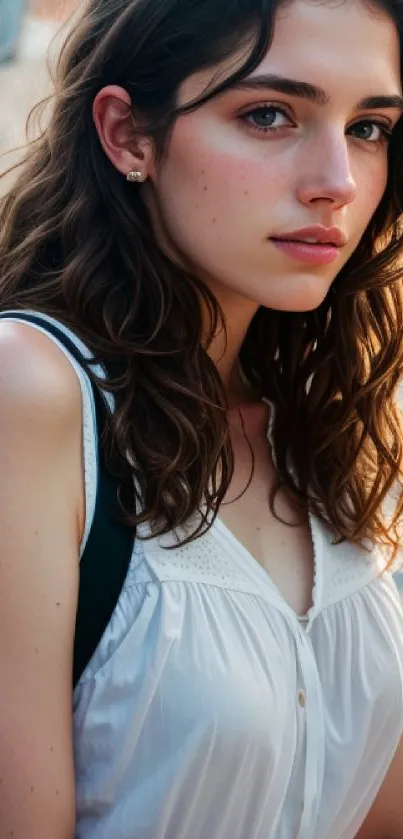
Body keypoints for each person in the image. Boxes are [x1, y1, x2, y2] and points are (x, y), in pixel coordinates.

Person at [0, 0, 403, 836]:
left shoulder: (332, 424)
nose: (337, 179)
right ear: (128, 136)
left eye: (368, 128)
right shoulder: (33, 394)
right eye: (268, 114)